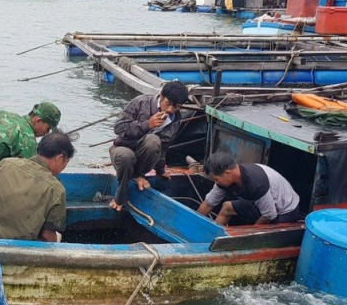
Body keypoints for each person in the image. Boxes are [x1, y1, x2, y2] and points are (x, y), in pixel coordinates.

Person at [108, 80, 190, 211]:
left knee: (153, 141)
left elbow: (163, 147)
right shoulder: (141, 102)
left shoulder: (176, 119)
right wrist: (147, 124)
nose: (170, 110)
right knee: (126, 156)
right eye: (168, 104)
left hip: (144, 157)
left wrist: (161, 170)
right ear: (161, 96)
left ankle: (138, 174)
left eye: (176, 107)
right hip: (123, 148)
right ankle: (121, 195)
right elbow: (119, 128)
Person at [0, 133, 74, 242]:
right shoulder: (56, 189)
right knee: (57, 237)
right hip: (19, 250)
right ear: (60, 158)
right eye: (66, 162)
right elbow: (47, 235)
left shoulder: (6, 163)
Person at [197, 152, 301, 226]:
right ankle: (211, 238)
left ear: (227, 173)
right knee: (227, 207)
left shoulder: (256, 183)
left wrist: (252, 231)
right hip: (261, 205)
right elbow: (209, 203)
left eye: (216, 179)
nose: (216, 183)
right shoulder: (225, 178)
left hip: (284, 212)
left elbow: (269, 215)